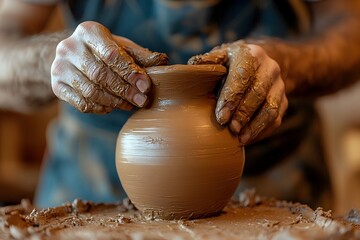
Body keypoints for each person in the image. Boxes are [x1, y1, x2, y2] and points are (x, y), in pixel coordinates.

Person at [0, 0, 359, 208]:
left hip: (275, 176)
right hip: (95, 181)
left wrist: (288, 65)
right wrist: (52, 58)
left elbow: (351, 31)